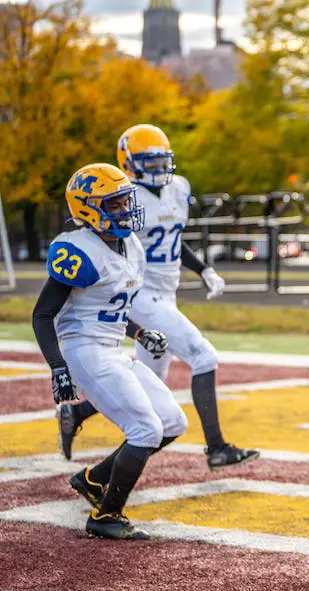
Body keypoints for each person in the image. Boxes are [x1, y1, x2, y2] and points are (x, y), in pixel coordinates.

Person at [57, 124, 258, 471]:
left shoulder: (179, 188)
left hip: (167, 292)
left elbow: (173, 238)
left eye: (161, 161)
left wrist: (203, 270)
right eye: (148, 163)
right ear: (130, 164)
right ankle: (217, 447)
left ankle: (77, 413)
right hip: (140, 293)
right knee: (203, 355)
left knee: (150, 385)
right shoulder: (124, 196)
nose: (157, 169)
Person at [32, 163, 188, 539]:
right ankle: (105, 516)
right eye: (114, 203)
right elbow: (42, 314)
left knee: (172, 422)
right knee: (146, 429)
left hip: (114, 346)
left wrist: (139, 331)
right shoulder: (78, 249)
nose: (125, 209)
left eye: (125, 200)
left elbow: (113, 305)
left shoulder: (131, 244)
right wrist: (58, 367)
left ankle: (92, 479)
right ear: (88, 208)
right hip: (84, 349)